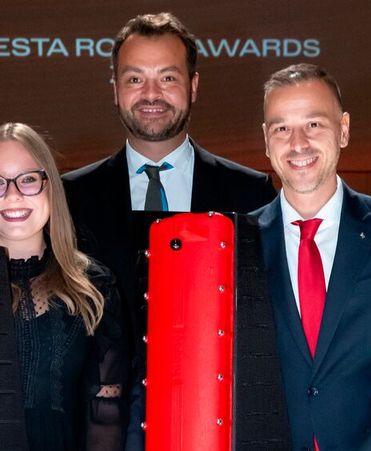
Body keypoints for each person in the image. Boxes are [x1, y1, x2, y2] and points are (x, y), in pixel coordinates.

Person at [62, 12, 276, 449]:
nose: (152, 94)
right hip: (102, 433)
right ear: (115, 90)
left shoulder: (250, 193)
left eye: (168, 77)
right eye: (135, 79)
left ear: (194, 86)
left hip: (213, 424)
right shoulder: (70, 197)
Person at [251, 64, 371, 450]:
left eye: (313, 125)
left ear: (343, 129)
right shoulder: (238, 243)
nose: (298, 143)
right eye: (281, 128)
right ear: (266, 139)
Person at [0, 122, 128, 450]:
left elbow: (106, 418)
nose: (13, 195)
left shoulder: (94, 289)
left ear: (49, 187)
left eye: (28, 180)